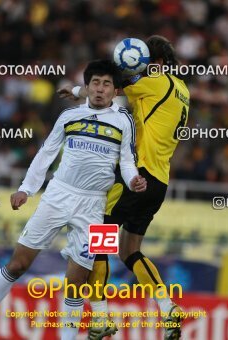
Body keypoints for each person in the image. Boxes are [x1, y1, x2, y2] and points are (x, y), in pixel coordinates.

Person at [0, 60, 147, 340]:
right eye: (95, 83)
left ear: (114, 91)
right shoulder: (69, 116)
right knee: (19, 263)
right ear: (87, 87)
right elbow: (46, 154)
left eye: (107, 84)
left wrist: (133, 179)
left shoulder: (123, 120)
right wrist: (25, 189)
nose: (100, 89)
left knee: (77, 281)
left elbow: (128, 160)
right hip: (58, 194)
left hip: (96, 205)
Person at [58, 35, 190, 340]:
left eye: (146, 65)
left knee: (99, 236)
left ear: (156, 64)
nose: (141, 70)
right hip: (160, 181)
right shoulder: (183, 90)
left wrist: (76, 90)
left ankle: (101, 316)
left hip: (137, 175)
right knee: (129, 251)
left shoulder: (157, 82)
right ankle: (168, 306)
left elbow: (112, 88)